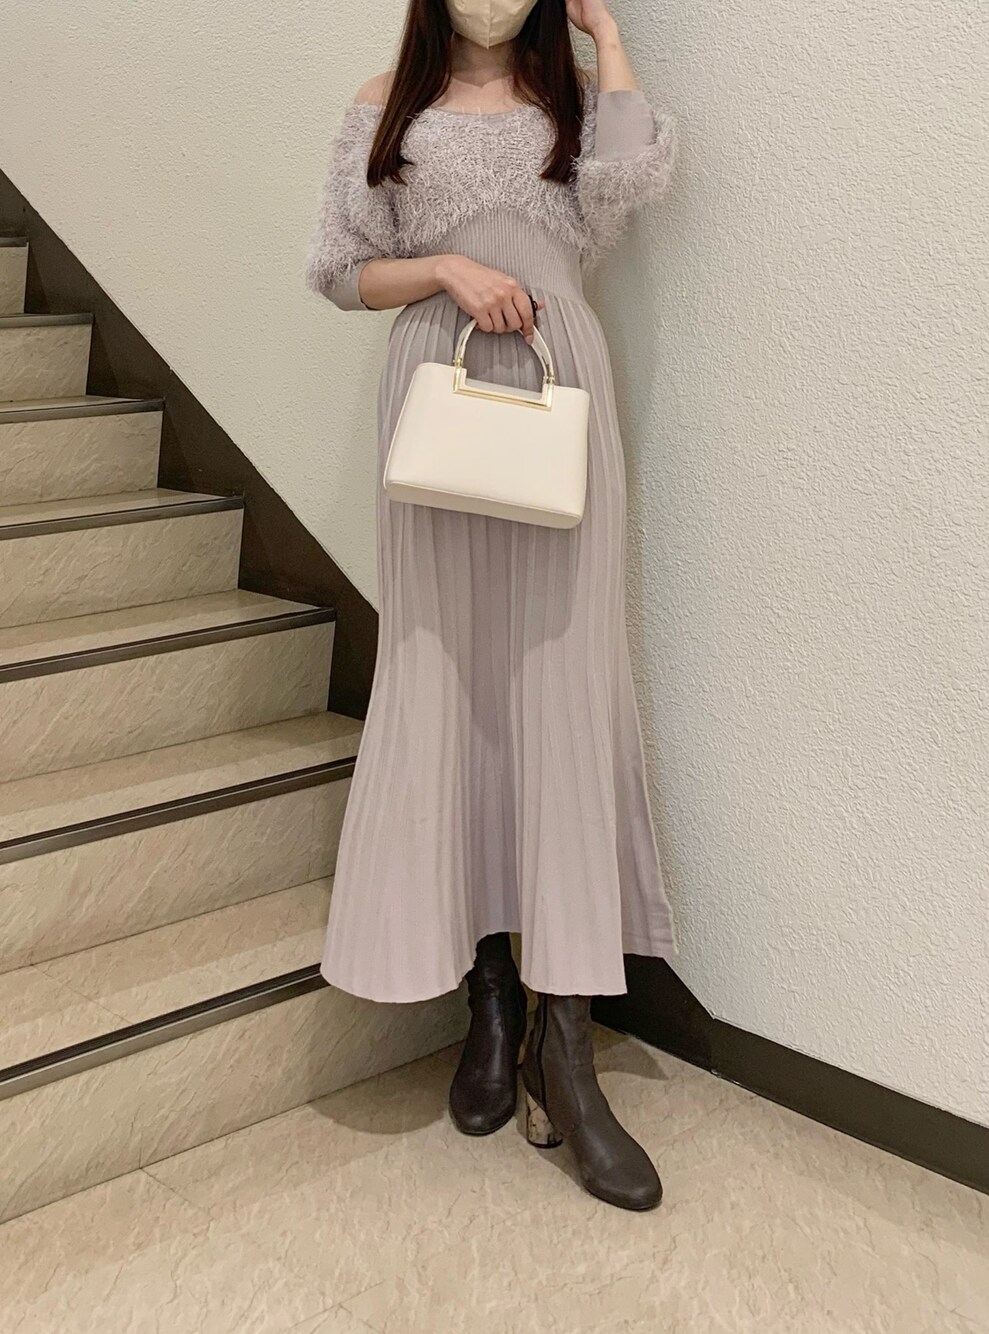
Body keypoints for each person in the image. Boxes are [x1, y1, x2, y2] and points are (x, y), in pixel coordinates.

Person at [307, 0, 678, 1211]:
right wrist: (445, 269)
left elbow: (626, 192)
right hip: (436, 393)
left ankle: (566, 1044)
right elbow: (339, 270)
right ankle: (490, 999)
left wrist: (606, 37)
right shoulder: (384, 103)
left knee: (564, 691)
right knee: (448, 681)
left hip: (561, 394)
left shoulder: (569, 97)